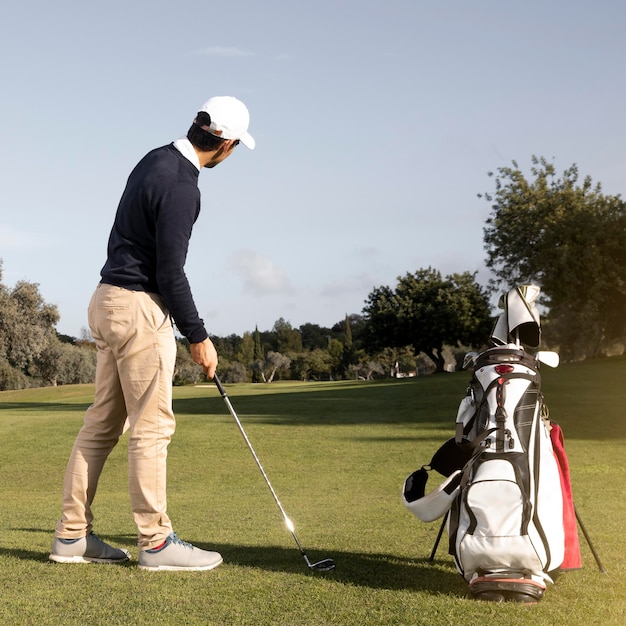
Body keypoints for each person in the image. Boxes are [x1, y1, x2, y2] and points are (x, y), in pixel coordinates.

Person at [49, 96, 255, 571]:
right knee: (151, 428)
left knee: (101, 424)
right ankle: (156, 543)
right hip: (139, 308)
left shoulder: (154, 157)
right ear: (224, 145)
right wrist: (199, 336)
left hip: (105, 300)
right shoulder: (184, 186)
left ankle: (71, 536)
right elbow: (170, 273)